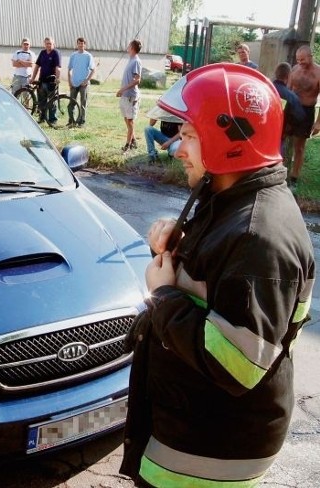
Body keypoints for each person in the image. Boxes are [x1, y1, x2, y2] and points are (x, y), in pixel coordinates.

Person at [120, 63, 315, 488]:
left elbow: (238, 366)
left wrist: (164, 294)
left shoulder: (258, 236)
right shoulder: (229, 197)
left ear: (229, 139)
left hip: (209, 455)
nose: (177, 148)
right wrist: (178, 242)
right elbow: (216, 274)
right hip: (192, 432)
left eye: (188, 135)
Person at [287, 44, 320, 188]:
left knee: (299, 147)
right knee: (280, 140)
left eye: (302, 60)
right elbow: (287, 91)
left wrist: (319, 123)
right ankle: (280, 170)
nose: (300, 63)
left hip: (306, 112)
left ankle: (294, 178)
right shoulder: (294, 69)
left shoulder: (319, 73)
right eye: (298, 60)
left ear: (310, 57)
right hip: (291, 110)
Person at [272, 61, 305, 158]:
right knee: (276, 161)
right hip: (279, 136)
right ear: (288, 76)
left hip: (260, 133)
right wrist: (289, 128)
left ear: (276, 73)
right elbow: (300, 117)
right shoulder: (291, 96)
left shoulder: (264, 88)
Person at [117, 39, 142, 152]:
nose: (127, 46)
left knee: (130, 121)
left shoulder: (136, 61)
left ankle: (127, 145)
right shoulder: (130, 60)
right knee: (126, 119)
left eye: (129, 45)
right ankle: (133, 141)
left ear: (132, 47)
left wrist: (123, 89)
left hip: (131, 96)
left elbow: (137, 80)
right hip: (125, 96)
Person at [30, 37, 61, 124]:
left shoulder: (56, 53)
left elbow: (58, 67)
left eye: (50, 43)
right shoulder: (42, 53)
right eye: (47, 43)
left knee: (52, 102)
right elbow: (37, 66)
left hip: (51, 81)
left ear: (53, 44)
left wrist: (57, 79)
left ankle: (52, 120)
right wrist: (33, 78)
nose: (48, 45)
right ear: (44, 44)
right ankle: (42, 118)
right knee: (41, 101)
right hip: (42, 80)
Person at [67, 36, 96, 127]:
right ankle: (71, 121)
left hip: (84, 84)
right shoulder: (73, 55)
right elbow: (69, 69)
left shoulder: (88, 56)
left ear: (85, 45)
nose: (81, 45)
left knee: (83, 103)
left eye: (82, 43)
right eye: (79, 43)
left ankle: (81, 121)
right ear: (77, 44)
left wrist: (87, 81)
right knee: (72, 103)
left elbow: (93, 70)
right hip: (74, 83)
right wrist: (69, 81)